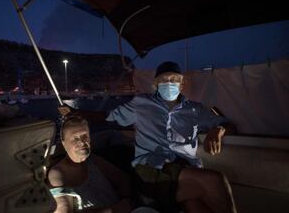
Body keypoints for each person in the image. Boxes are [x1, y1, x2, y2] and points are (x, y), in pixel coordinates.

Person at [58, 61, 237, 213]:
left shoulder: (195, 109)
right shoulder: (141, 103)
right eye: (164, 80)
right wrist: (76, 112)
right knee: (215, 180)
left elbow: (227, 124)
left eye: (174, 80)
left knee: (194, 203)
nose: (169, 83)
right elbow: (107, 116)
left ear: (182, 84)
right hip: (150, 169)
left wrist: (217, 131)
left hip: (185, 167)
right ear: (155, 84)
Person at [47, 116, 134, 213]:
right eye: (75, 138)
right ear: (64, 143)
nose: (82, 142)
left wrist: (127, 200)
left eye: (85, 136)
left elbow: (122, 179)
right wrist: (113, 210)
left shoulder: (93, 160)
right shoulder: (58, 174)